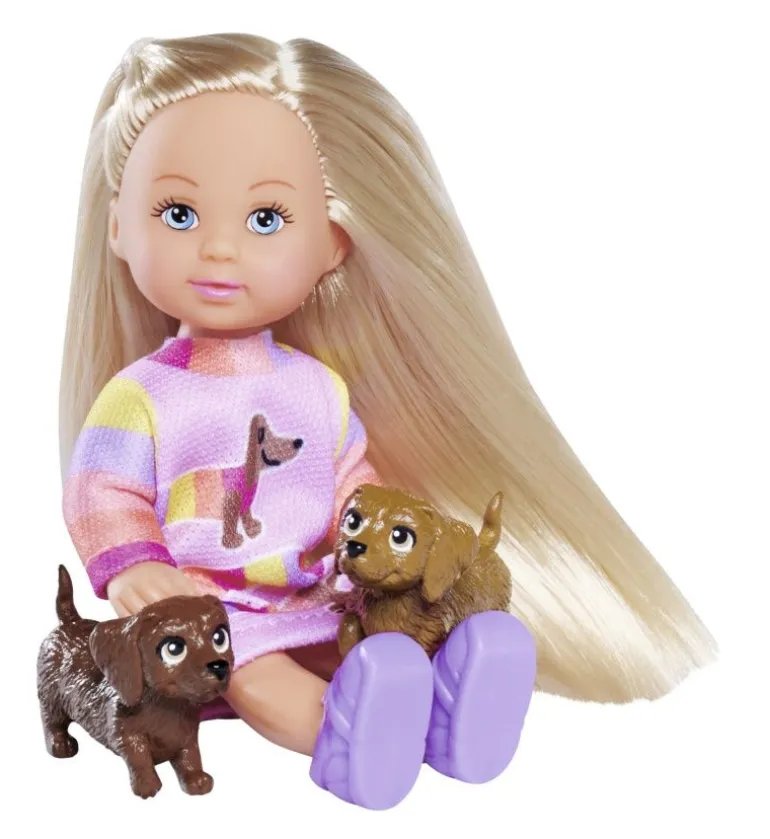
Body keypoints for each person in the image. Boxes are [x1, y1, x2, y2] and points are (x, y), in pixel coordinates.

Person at [58, 32, 715, 809]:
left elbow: (350, 482)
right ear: (118, 227)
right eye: (178, 213)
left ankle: (452, 712)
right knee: (259, 671)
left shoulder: (318, 388)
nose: (220, 248)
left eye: (266, 218)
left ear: (331, 246)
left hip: (319, 589)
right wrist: (132, 564)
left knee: (383, 643)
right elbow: (102, 489)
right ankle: (346, 743)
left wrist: (362, 542)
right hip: (215, 606)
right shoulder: (142, 395)